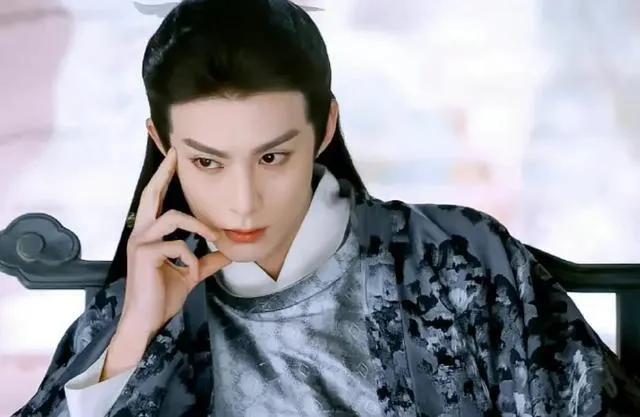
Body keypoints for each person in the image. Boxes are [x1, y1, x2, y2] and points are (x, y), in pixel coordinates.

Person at [12, 0, 640, 416]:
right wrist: (133, 338)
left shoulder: (456, 257)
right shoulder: (142, 303)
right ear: (162, 145)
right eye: (208, 162)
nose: (243, 203)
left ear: (325, 127)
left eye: (272, 157)